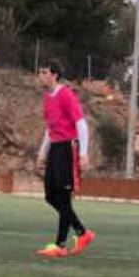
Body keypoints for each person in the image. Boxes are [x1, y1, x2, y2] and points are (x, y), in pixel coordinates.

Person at [35, 63, 95, 257]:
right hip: (55, 148)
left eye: (44, 72)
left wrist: (83, 153)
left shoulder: (66, 94)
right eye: (40, 72)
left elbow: (81, 123)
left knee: (63, 196)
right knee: (50, 196)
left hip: (68, 148)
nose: (40, 76)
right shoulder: (47, 98)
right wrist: (42, 153)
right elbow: (49, 128)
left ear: (55, 75)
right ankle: (81, 232)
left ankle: (60, 245)